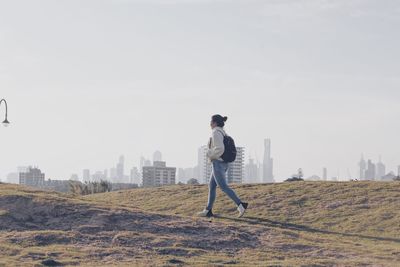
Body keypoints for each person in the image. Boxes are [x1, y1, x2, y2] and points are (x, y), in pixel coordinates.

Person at [197, 114, 248, 218]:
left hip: (218, 163)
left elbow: (220, 148)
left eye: (211, 121)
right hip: (223, 163)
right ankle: (208, 210)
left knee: (223, 186)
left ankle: (240, 205)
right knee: (211, 186)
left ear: (215, 123)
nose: (210, 124)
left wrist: (210, 154)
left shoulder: (216, 132)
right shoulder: (223, 132)